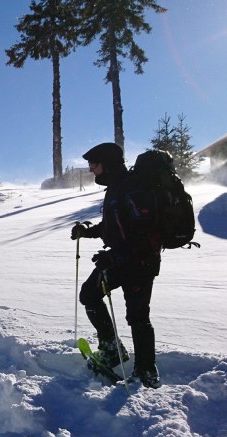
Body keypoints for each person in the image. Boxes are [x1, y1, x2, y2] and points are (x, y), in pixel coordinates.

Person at [71, 142, 162, 388]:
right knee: (90, 294)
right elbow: (115, 226)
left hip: (140, 262)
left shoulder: (132, 188)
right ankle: (112, 349)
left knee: (137, 316)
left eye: (94, 164)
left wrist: (115, 256)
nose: (91, 170)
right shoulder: (117, 188)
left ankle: (145, 373)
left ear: (107, 164)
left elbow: (144, 231)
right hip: (123, 260)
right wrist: (86, 232)